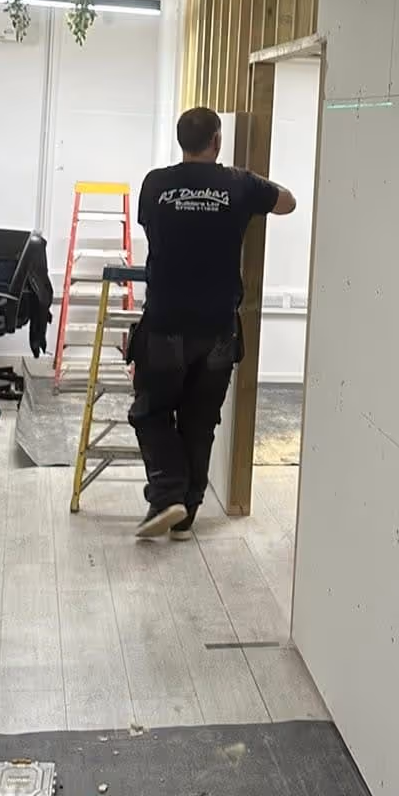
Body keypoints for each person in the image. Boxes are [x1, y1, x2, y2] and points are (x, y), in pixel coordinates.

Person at [128, 106, 296, 538]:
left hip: (166, 322)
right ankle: (186, 515)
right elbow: (288, 202)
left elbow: (154, 228)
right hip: (219, 327)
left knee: (152, 410)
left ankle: (167, 496)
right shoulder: (239, 184)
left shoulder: (156, 184)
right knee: (200, 420)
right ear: (217, 141)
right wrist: (243, 182)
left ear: (181, 140)